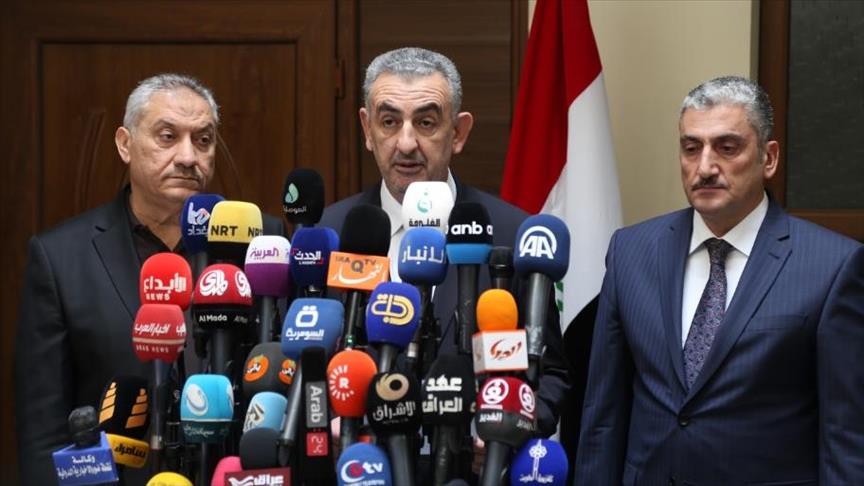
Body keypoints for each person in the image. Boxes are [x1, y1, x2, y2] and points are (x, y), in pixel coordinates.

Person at [574, 76, 864, 484]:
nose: (705, 167)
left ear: (768, 158)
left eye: (727, 148)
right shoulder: (631, 252)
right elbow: (602, 416)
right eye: (691, 148)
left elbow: (845, 436)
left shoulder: (832, 266)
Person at [15, 74, 282, 485]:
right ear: (125, 144)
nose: (188, 156)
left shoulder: (262, 241)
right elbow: (42, 430)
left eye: (203, 140)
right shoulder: (60, 257)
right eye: (167, 136)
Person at [319, 47, 572, 436]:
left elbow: (550, 374)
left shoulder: (513, 233)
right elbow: (302, 364)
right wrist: (326, 424)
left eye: (425, 123)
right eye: (389, 122)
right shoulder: (330, 233)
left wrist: (510, 429)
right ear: (367, 130)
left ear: (458, 133)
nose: (406, 143)